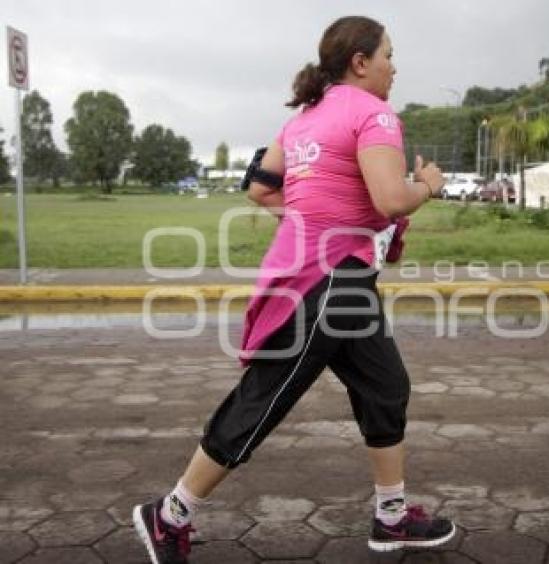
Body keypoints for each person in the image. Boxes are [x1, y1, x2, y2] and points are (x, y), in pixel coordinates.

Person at [132, 16, 452, 563]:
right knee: (265, 399)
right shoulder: (373, 114)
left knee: (386, 387)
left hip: (340, 278)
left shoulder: (306, 117)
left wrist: (306, 215)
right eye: (388, 56)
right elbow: (391, 200)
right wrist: (428, 183)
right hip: (326, 283)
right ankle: (169, 515)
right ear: (360, 62)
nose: (393, 67)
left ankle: (392, 517)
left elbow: (259, 186)